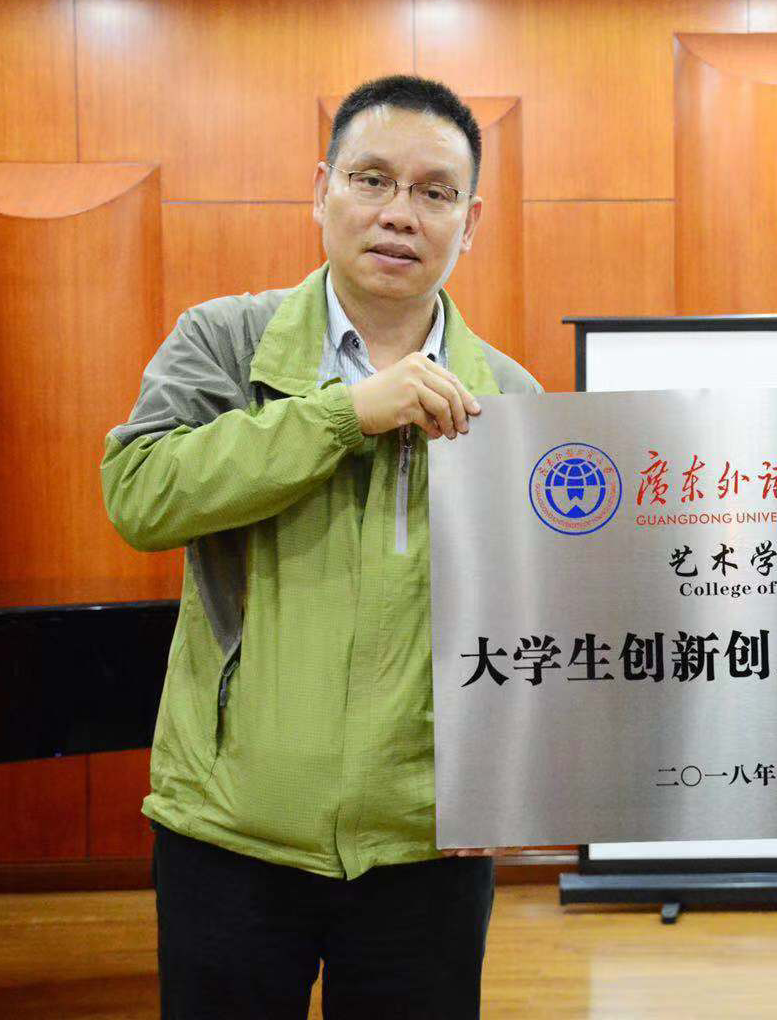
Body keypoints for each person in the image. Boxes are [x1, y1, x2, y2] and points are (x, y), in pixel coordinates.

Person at [101, 74, 541, 1019]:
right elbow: (139, 495)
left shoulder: (509, 398)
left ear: (470, 224)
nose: (400, 213)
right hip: (230, 831)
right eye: (371, 179)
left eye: (435, 192)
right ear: (321, 190)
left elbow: (530, 621)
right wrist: (343, 415)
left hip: (425, 845)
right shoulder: (223, 341)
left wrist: (510, 785)